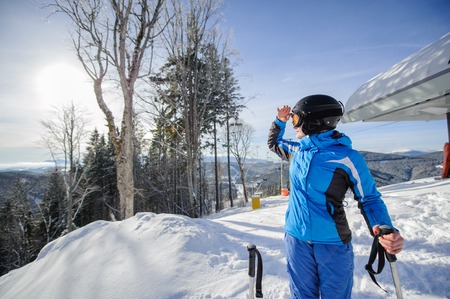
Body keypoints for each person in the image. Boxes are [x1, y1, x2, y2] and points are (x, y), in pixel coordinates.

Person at [267, 94, 404, 299]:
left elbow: (370, 199)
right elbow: (274, 142)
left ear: (313, 122)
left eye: (296, 119)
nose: (293, 124)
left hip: (332, 243)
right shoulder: (297, 150)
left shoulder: (347, 158)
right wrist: (280, 121)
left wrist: (384, 227)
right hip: (296, 240)